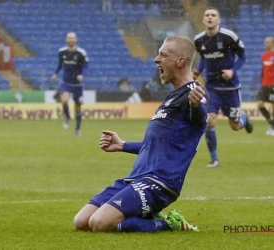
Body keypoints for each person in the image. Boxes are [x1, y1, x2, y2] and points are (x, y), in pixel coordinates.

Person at [74, 36, 208, 233]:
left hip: (159, 182)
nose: (156, 59)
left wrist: (196, 105)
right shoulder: (172, 97)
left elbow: (200, 118)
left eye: (163, 55)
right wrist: (122, 145)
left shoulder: (193, 93)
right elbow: (157, 144)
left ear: (180, 61)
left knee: (100, 223)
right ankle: (144, 215)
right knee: (82, 221)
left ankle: (168, 224)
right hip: (137, 177)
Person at [193, 7, 253, 168]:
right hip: (212, 88)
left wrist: (232, 71)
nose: (210, 18)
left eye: (213, 15)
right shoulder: (199, 40)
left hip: (231, 89)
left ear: (219, 20)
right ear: (204, 20)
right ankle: (214, 160)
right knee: (210, 121)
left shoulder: (229, 37)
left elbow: (243, 56)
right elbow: (204, 59)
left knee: (235, 126)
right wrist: (198, 71)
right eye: (207, 15)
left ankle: (244, 119)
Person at [51, 32, 88, 136]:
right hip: (66, 82)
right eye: (69, 38)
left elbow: (85, 67)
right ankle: (67, 117)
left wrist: (82, 75)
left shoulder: (81, 53)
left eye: (72, 38)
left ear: (76, 40)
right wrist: (55, 73)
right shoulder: (62, 52)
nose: (71, 40)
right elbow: (60, 64)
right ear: (66, 40)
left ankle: (77, 128)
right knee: (64, 100)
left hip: (77, 85)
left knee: (77, 107)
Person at [257, 37, 274, 135]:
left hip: (273, 84)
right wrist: (261, 80)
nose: (265, 44)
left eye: (267, 42)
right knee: (260, 104)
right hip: (264, 84)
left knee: (273, 106)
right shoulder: (263, 55)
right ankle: (271, 123)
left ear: (272, 43)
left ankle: (272, 127)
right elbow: (263, 70)